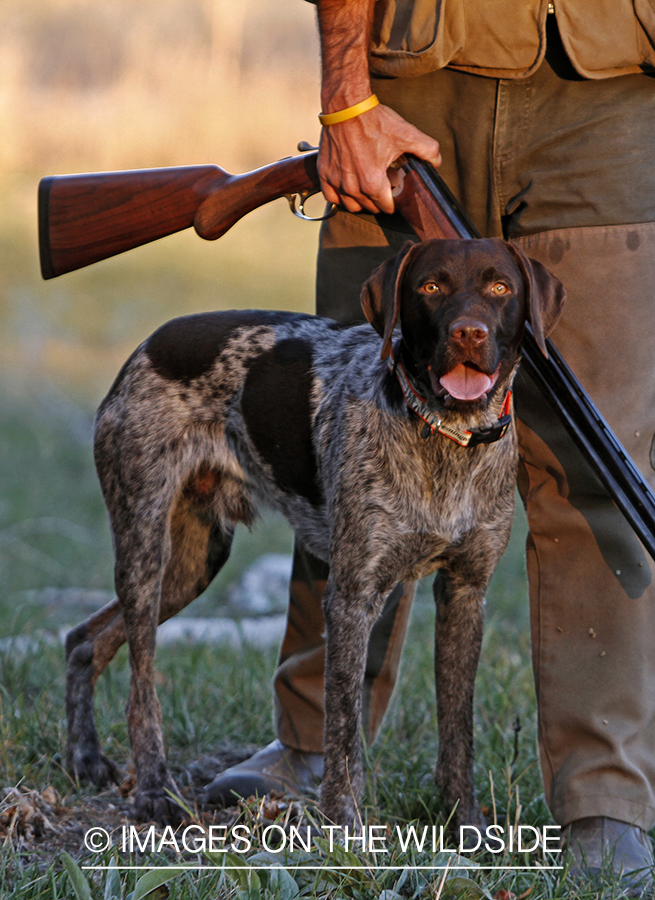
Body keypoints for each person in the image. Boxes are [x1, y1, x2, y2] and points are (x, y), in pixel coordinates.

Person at [204, 0, 655, 890]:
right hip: (406, 76)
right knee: (350, 441)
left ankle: (605, 796)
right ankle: (307, 748)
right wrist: (344, 99)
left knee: (599, 467)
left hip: (609, 89)